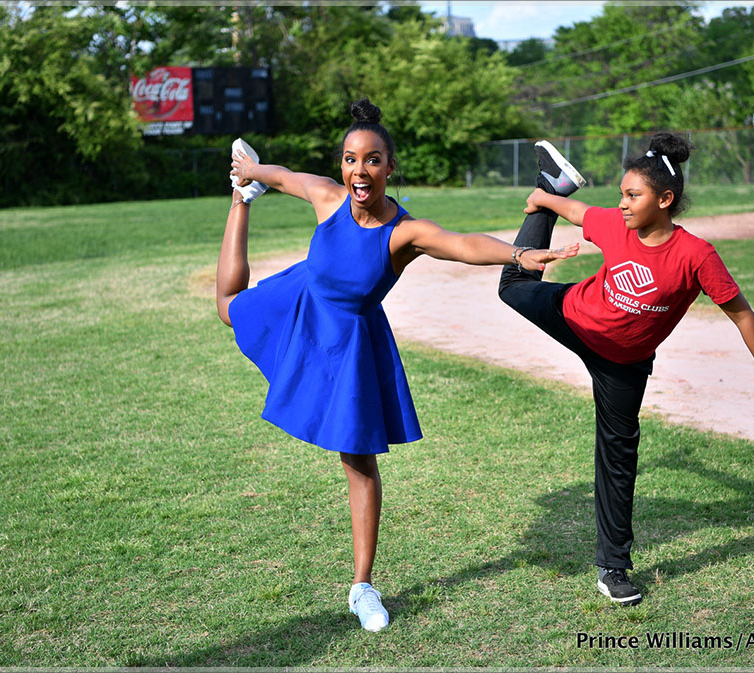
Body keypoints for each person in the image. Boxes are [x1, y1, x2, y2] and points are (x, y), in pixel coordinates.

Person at [216, 98, 578, 632]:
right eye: (350, 159)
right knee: (228, 309)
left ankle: (362, 586)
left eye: (372, 160)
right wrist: (249, 175)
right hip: (303, 301)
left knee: (357, 460)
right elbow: (283, 174)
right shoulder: (327, 197)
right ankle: (238, 203)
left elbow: (460, 244)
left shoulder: (403, 233)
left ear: (390, 167)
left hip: (351, 339)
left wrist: (519, 256)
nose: (359, 171)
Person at [498, 134, 754, 607]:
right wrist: (543, 199)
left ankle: (613, 568)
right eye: (620, 194)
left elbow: (742, 313)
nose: (621, 204)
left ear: (665, 199)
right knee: (512, 285)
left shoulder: (696, 255)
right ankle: (548, 179)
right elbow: (581, 214)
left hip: (624, 364)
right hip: (574, 316)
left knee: (618, 460)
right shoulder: (617, 226)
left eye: (632, 195)